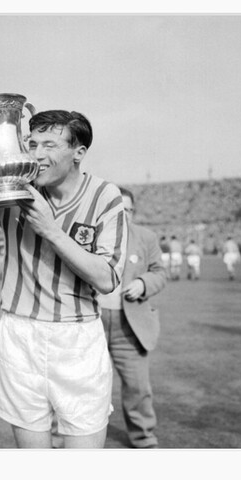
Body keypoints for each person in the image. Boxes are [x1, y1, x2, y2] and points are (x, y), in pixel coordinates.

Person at [0, 86, 127, 449]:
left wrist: (51, 230)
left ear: (79, 153)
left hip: (77, 338)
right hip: (19, 335)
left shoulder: (105, 196)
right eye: (32, 144)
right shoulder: (12, 186)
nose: (37, 154)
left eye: (50, 146)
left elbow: (107, 278)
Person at [97, 187, 166, 448]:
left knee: (138, 387)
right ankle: (71, 439)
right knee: (84, 385)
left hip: (131, 325)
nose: (124, 215)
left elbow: (160, 272)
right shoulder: (92, 234)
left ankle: (143, 437)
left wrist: (143, 283)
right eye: (119, 209)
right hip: (94, 321)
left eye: (129, 210)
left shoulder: (146, 237)